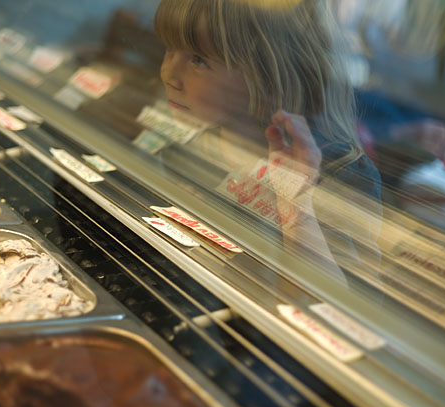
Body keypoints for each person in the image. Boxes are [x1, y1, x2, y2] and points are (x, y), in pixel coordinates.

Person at [154, 0, 383, 283]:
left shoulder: (340, 174)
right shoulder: (191, 148)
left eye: (198, 60)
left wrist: (296, 202)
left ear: (265, 74)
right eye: (169, 48)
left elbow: (344, 307)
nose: (168, 75)